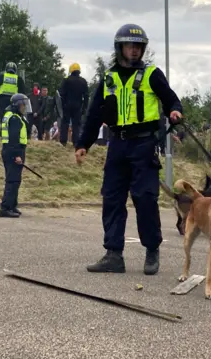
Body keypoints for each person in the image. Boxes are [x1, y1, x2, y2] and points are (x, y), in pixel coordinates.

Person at [74, 24, 183, 275]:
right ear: (120, 47)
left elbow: (170, 98)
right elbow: (93, 115)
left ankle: (152, 250)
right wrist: (83, 144)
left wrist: (175, 110)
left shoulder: (152, 74)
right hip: (118, 144)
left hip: (144, 144)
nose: (134, 50)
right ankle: (114, 255)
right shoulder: (108, 78)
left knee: (145, 198)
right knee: (112, 198)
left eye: (138, 46)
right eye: (129, 46)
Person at [0, 93, 32, 218]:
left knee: (16, 180)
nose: (24, 107)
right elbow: (14, 138)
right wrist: (17, 155)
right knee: (12, 180)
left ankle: (12, 205)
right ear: (17, 104)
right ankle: (5, 208)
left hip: (11, 150)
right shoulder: (14, 118)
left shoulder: (14, 116)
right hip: (13, 151)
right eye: (23, 105)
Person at [59, 63, 89, 147]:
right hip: (78, 106)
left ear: (71, 70)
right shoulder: (83, 81)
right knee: (76, 124)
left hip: (67, 105)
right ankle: (75, 142)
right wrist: (84, 108)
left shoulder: (66, 80)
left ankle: (63, 141)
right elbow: (86, 96)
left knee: (65, 123)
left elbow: (61, 94)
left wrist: (63, 105)